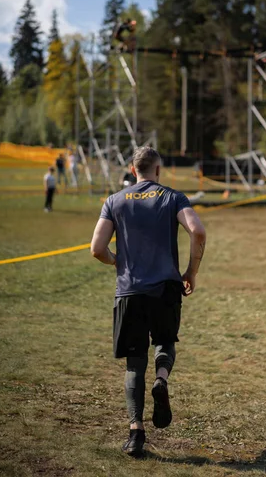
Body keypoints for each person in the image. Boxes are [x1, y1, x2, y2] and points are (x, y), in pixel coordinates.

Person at [90, 146, 206, 457]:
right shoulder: (173, 197)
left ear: (133, 169)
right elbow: (197, 230)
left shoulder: (114, 201)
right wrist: (191, 272)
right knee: (165, 342)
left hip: (130, 292)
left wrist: (117, 261)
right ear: (158, 170)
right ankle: (162, 379)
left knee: (134, 362)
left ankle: (135, 433)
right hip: (166, 288)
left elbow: (96, 248)